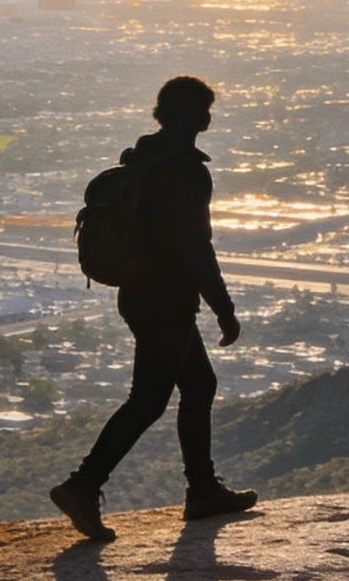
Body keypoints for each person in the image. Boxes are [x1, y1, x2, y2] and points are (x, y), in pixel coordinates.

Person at [51, 75, 260, 539]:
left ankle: (203, 490)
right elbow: (195, 249)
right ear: (191, 116)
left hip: (140, 294)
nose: (208, 117)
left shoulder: (142, 158)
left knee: (200, 385)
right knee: (148, 400)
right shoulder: (185, 171)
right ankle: (82, 484)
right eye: (204, 109)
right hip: (167, 299)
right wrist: (223, 308)